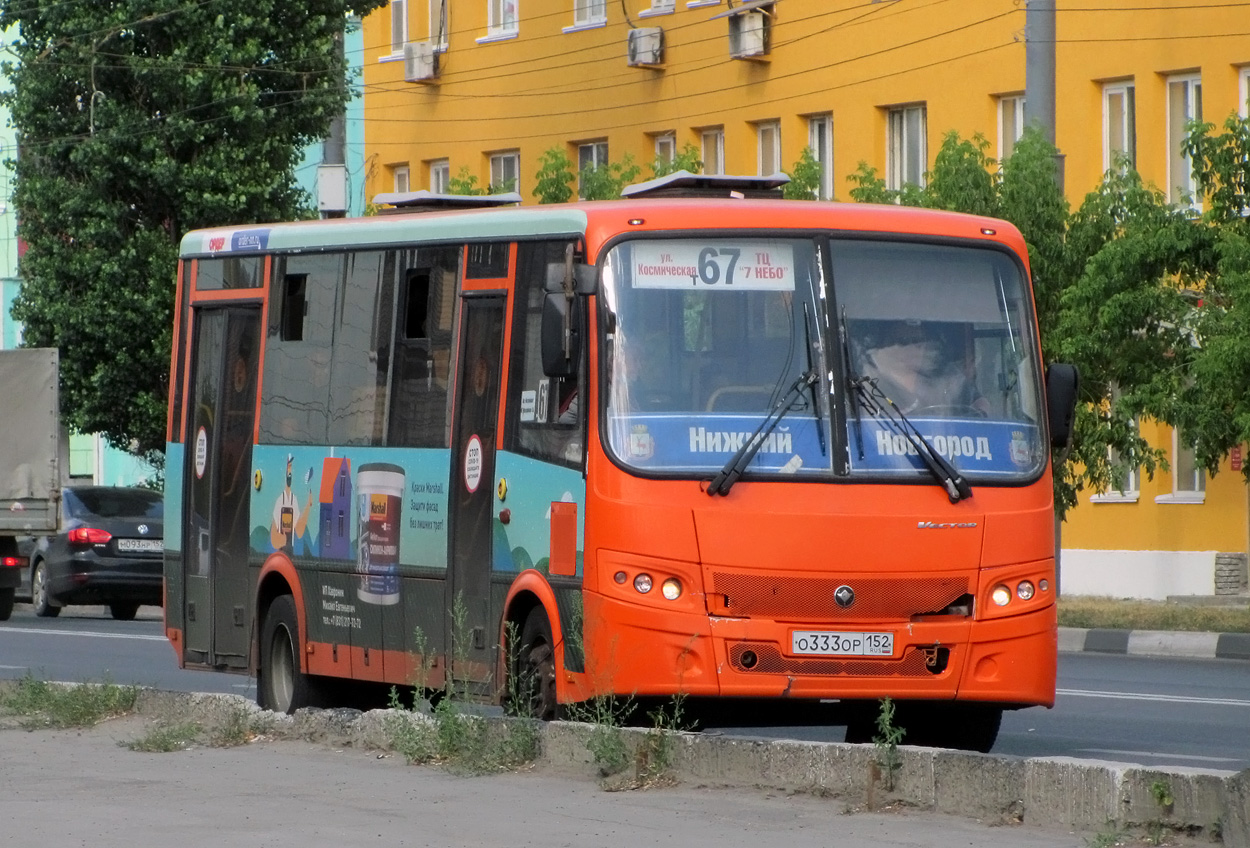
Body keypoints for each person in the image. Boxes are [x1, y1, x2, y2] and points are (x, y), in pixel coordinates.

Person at [859, 320, 989, 417]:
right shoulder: (872, 383)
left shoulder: (946, 376)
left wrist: (979, 415)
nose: (915, 346)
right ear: (887, 344)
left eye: (919, 340)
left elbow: (980, 403)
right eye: (904, 341)